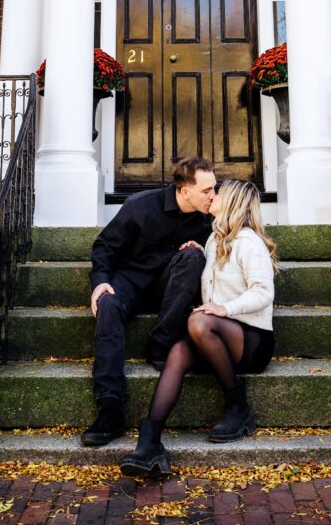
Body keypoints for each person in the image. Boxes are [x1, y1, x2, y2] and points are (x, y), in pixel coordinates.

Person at [120, 178, 277, 477]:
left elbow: (263, 292)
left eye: (218, 192)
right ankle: (150, 442)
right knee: (179, 350)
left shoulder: (249, 242)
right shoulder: (213, 240)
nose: (212, 196)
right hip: (217, 335)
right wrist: (202, 257)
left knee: (198, 320)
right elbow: (213, 283)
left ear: (231, 202)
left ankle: (237, 405)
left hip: (253, 341)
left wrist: (224, 309)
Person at [81, 157, 216, 446]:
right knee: (107, 304)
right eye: (207, 190)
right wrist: (100, 280)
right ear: (184, 191)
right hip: (130, 281)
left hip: (171, 286)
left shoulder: (210, 217)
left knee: (193, 256)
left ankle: (160, 346)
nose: (213, 196)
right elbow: (105, 245)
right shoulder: (141, 205)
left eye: (214, 189)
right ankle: (110, 406)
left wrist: (204, 249)